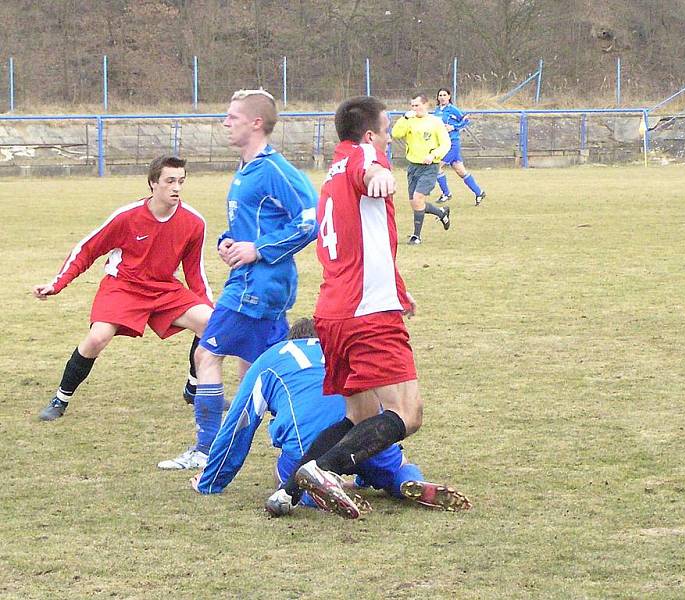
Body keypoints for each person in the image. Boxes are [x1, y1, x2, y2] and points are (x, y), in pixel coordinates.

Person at [266, 96, 429, 520]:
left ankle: (288, 490)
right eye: (388, 129)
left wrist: (399, 289)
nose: (391, 138)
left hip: (332, 314)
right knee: (407, 415)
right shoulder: (363, 157)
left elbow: (364, 241)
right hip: (368, 315)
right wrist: (378, 175)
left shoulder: (331, 173)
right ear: (370, 133)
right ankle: (324, 469)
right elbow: (369, 166)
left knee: (360, 416)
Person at [158, 89, 318, 470]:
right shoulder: (246, 170)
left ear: (256, 123)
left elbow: (310, 221)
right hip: (253, 281)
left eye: (232, 117)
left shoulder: (275, 169)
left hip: (256, 286)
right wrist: (228, 242)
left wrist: (257, 249)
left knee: (206, 354)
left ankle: (206, 449)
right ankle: (311, 443)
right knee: (258, 371)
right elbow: (249, 226)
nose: (225, 123)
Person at [190, 318, 471, 516]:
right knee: (395, 464)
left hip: (308, 445)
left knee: (283, 472)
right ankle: (408, 480)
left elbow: (239, 425)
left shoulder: (272, 358)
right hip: (367, 435)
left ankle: (317, 493)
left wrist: (211, 480)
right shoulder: (342, 351)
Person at [34, 155, 213, 422]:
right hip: (123, 287)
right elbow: (87, 249)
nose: (176, 187)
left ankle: (193, 388)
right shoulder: (127, 217)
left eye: (181, 181)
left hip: (164, 290)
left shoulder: (194, 222)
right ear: (153, 183)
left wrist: (210, 305)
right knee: (97, 338)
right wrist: (57, 283)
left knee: (210, 323)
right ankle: (61, 397)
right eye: (170, 181)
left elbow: (194, 271)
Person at [390, 93, 452, 245]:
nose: (414, 108)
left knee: (418, 199)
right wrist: (404, 118)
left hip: (429, 167)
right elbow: (395, 133)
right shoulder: (409, 121)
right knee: (415, 203)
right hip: (413, 167)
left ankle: (416, 236)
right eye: (412, 106)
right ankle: (441, 212)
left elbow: (445, 144)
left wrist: (433, 155)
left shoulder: (435, 122)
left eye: (417, 105)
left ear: (426, 105)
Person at [432, 87, 486, 206]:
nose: (442, 97)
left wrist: (454, 127)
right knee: (461, 171)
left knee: (436, 166)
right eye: (440, 95)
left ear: (449, 97)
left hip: (452, 143)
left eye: (444, 95)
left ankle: (446, 193)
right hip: (443, 143)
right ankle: (479, 192)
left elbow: (465, 120)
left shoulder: (452, 109)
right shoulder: (436, 111)